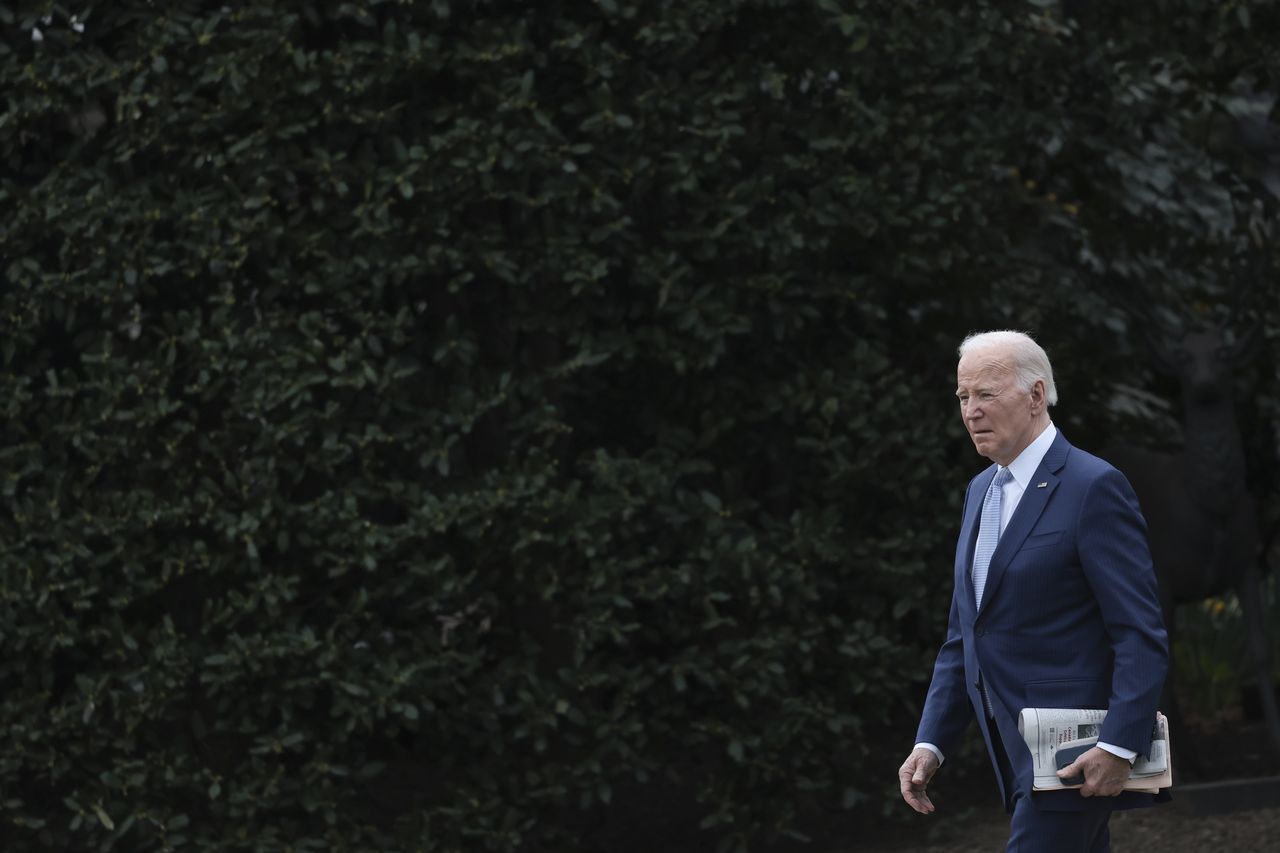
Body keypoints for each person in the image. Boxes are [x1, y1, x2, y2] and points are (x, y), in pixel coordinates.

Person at [898, 331, 1169, 852]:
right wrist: (931, 742)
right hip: (1013, 755)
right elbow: (965, 635)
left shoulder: (1094, 486)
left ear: (1036, 395)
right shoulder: (980, 491)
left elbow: (1139, 633)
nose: (970, 411)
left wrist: (1118, 745)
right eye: (962, 397)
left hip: (1075, 758)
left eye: (986, 395)